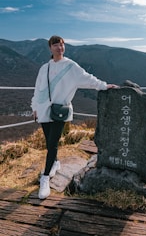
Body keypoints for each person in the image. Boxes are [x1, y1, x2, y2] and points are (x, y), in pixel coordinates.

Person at [31, 35, 117, 199]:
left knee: (53, 143)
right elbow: (37, 89)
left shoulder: (71, 66)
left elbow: (87, 78)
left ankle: (45, 177)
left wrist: (104, 86)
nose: (60, 48)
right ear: (50, 48)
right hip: (43, 110)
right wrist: (34, 107)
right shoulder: (44, 68)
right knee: (49, 140)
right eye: (56, 45)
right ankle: (55, 162)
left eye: (62, 45)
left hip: (59, 111)